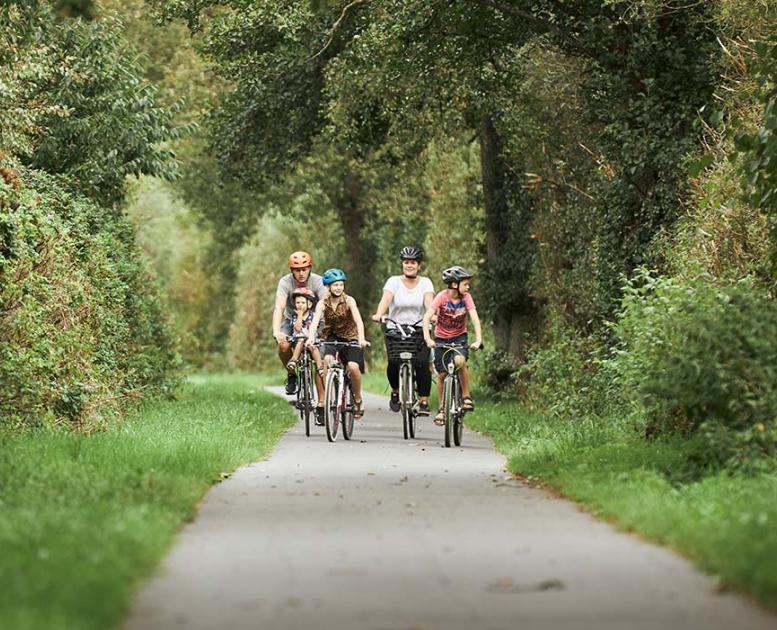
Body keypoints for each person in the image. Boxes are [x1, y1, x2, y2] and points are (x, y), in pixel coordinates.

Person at [371, 246, 434, 416]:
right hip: (396, 329)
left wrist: (431, 315)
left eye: (413, 262)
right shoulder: (393, 281)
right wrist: (379, 314)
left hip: (420, 329)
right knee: (393, 361)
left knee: (421, 363)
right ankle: (395, 390)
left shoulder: (425, 282)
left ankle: (423, 401)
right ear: (402, 264)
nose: (409, 265)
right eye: (406, 262)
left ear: (419, 265)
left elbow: (429, 302)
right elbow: (386, 299)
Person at [422, 265, 483, 426]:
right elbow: (427, 318)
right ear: (455, 284)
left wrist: (478, 339)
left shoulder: (466, 298)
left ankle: (466, 397)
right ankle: (442, 410)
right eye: (465, 283)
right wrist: (428, 339)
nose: (468, 286)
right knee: (442, 375)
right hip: (441, 339)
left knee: (460, 362)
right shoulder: (441, 297)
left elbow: (475, 318)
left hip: (459, 338)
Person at [306, 268, 369, 419]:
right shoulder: (322, 303)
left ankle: (358, 400)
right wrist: (311, 337)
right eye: (335, 285)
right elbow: (314, 323)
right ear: (328, 287)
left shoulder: (349, 301)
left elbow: (358, 321)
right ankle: (329, 395)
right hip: (331, 337)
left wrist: (361, 338)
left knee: (353, 368)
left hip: (351, 338)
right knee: (326, 360)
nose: (339, 288)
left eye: (341, 285)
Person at [272, 251, 326, 399]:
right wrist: (277, 331)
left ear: (310, 268)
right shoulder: (285, 282)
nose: (301, 273)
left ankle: (322, 402)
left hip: (316, 320)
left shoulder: (318, 282)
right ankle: (292, 374)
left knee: (319, 354)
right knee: (283, 345)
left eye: (304, 269)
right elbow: (279, 307)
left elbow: (326, 304)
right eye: (297, 270)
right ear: (291, 270)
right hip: (292, 320)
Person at [284, 287, 323, 373]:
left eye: (303, 302)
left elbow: (318, 327)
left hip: (311, 341)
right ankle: (293, 360)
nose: (300, 305)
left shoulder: (314, 316)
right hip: (299, 341)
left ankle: (320, 367)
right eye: (297, 302)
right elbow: (297, 329)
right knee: (301, 340)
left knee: (313, 348)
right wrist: (300, 315)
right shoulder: (295, 316)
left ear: (309, 304)